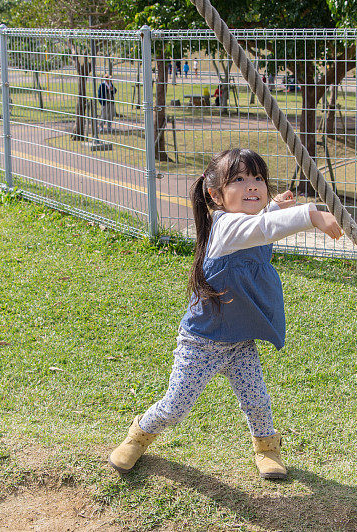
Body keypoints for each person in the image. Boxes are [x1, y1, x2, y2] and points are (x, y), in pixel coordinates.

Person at [109, 148, 344, 480]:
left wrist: (277, 204)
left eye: (257, 178)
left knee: (257, 400)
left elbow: (260, 222)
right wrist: (311, 215)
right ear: (216, 195)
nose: (251, 186)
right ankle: (138, 437)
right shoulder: (226, 227)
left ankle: (266, 447)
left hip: (239, 340)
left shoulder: (248, 221)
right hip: (202, 344)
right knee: (176, 406)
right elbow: (261, 229)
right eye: (238, 180)